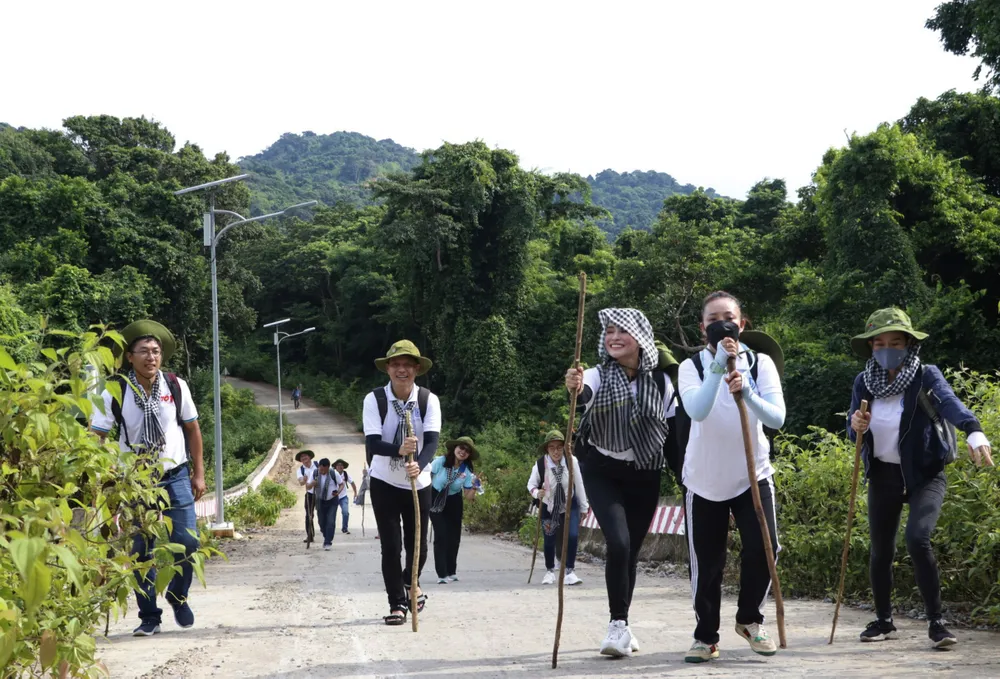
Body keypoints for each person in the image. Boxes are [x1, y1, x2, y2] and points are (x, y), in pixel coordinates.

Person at [848, 308, 993, 648]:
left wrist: (974, 431)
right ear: (871, 347)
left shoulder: (925, 375)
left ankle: (937, 623)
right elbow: (853, 432)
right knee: (880, 549)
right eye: (879, 343)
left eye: (895, 342)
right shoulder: (863, 382)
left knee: (917, 538)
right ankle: (884, 621)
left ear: (909, 344)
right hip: (883, 473)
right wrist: (856, 427)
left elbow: (950, 404)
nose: (887, 349)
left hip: (925, 473)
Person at [677, 291, 785, 663]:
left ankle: (750, 619)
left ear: (742, 324)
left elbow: (776, 418)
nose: (721, 324)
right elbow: (698, 410)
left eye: (729, 317)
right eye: (712, 319)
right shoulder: (690, 367)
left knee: (767, 547)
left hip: (752, 476)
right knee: (707, 563)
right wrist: (718, 366)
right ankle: (705, 637)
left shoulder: (761, 363)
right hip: (704, 480)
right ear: (702, 328)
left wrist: (747, 389)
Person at [565, 308, 673, 657]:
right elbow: (584, 393)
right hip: (602, 470)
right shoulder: (596, 375)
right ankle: (617, 625)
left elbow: (675, 435)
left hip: (645, 472)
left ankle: (623, 625)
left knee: (630, 552)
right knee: (619, 543)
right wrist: (575, 387)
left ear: (640, 337)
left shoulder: (661, 382)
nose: (614, 337)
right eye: (609, 331)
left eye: (622, 332)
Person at [90, 320, 205, 637]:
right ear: (130, 357)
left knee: (188, 541)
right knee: (142, 549)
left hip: (175, 474)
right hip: (136, 481)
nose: (151, 357)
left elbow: (193, 430)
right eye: (143, 351)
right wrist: (102, 475)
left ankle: (178, 596)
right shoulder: (115, 389)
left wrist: (199, 474)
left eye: (155, 351)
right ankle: (149, 617)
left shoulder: (175, 385)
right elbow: (97, 435)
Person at [363, 340, 441, 626]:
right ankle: (397, 603)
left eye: (407, 365)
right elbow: (372, 443)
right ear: (388, 369)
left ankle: (412, 583)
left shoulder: (427, 400)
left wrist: (418, 463)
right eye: (396, 364)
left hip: (418, 483)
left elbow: (432, 441)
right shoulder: (375, 400)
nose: (401, 370)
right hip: (384, 481)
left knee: (417, 544)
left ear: (417, 369)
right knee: (391, 546)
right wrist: (399, 450)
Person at [527, 430, 589, 586]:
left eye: (559, 447)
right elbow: (531, 485)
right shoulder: (541, 464)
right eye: (552, 447)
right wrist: (537, 493)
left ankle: (569, 571)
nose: (556, 451)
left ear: (565, 448)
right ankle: (550, 571)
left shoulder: (571, 461)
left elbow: (579, 484)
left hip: (570, 504)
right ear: (547, 449)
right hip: (549, 506)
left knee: (573, 536)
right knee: (549, 539)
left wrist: (583, 507)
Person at [430, 437, 479, 584]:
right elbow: (425, 477)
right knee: (441, 535)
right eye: (461, 448)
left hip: (454, 501)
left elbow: (468, 496)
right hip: (436, 499)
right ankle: (442, 574)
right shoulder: (440, 462)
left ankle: (451, 571)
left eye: (467, 450)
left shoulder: (467, 471)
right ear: (454, 448)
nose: (462, 452)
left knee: (454, 537)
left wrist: (476, 487)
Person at [314, 458, 344, 550]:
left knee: (330, 521)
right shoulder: (315, 473)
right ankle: (326, 535)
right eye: (320, 469)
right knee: (321, 522)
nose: (321, 471)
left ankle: (328, 542)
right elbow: (311, 485)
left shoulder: (333, 473)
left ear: (327, 467)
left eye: (323, 469)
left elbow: (341, 484)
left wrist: (338, 492)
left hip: (332, 500)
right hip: (320, 501)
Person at [296, 450, 319, 547]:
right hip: (309, 494)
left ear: (309, 457)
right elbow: (301, 482)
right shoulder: (300, 470)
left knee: (322, 513)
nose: (304, 458)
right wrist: (304, 480)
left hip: (321, 493)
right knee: (309, 515)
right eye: (302, 457)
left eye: (305, 456)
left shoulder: (318, 464)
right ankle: (310, 535)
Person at [333, 459, 358, 535]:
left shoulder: (346, 475)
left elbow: (352, 483)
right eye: (338, 465)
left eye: (341, 465)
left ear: (343, 467)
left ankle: (345, 528)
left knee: (345, 512)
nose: (340, 466)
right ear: (335, 467)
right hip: (333, 497)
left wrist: (355, 493)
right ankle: (330, 528)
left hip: (343, 497)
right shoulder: (332, 474)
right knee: (332, 514)